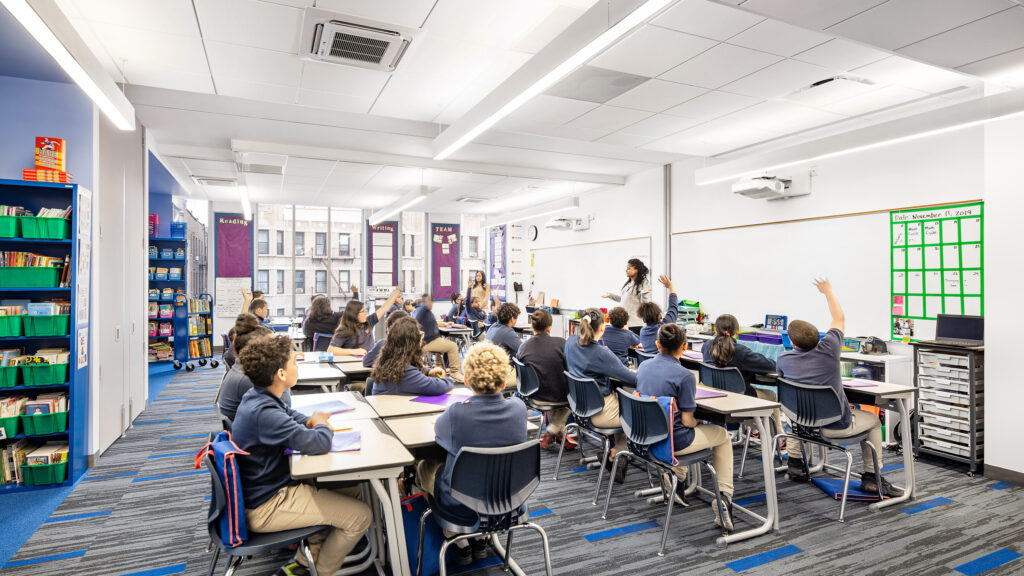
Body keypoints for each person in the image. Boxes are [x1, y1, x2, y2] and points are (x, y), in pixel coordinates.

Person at [233, 334, 372, 576]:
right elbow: (318, 443)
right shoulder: (264, 413)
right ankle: (320, 571)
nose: (297, 365)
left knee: (355, 490)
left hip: (268, 488)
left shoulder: (259, 397)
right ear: (281, 375)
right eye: (293, 362)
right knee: (361, 517)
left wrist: (309, 420)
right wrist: (319, 425)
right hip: (267, 505)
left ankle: (303, 560)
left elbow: (290, 415)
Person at [780, 279, 902, 497]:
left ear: (792, 342)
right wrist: (828, 292)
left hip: (803, 428)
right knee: (874, 421)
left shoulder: (783, 359)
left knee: (794, 410)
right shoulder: (829, 350)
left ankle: (796, 463)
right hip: (834, 427)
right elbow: (839, 318)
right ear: (819, 338)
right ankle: (872, 477)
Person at [415, 342, 527, 566]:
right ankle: (483, 538)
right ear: (504, 382)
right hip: (509, 501)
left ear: (466, 381)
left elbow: (439, 436)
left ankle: (457, 540)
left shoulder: (455, 414)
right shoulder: (519, 409)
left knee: (424, 467)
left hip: (459, 507)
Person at [636, 323, 735, 530]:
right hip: (674, 442)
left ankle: (678, 481)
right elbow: (689, 422)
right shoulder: (685, 376)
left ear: (657, 344)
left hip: (648, 438)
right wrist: (702, 420)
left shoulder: (643, 366)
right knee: (723, 435)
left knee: (675, 424)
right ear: (685, 346)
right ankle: (724, 496)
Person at [565, 308, 636, 483]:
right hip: (600, 412)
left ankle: (616, 452)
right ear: (602, 328)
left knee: (622, 401)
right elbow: (632, 379)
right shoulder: (601, 353)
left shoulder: (570, 342)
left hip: (579, 407)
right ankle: (618, 452)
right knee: (637, 410)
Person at [702, 313, 783, 436]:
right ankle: (776, 438)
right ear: (738, 331)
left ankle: (755, 429)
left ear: (715, 329)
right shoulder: (740, 351)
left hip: (713, 398)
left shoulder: (706, 346)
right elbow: (771, 366)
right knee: (771, 395)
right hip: (738, 400)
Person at [516, 309, 576, 451]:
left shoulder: (523, 346)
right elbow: (571, 369)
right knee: (571, 396)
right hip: (558, 396)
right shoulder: (562, 343)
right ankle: (554, 429)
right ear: (550, 327)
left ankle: (559, 433)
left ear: (532, 326)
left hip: (532, 394)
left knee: (551, 384)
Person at [219, 313, 288, 423]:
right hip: (257, 433)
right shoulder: (248, 377)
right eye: (273, 346)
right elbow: (285, 407)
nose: (277, 350)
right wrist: (285, 377)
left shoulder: (242, 367)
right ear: (259, 351)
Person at [369, 316, 454, 396]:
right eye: (419, 334)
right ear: (412, 342)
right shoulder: (404, 372)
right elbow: (436, 387)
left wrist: (427, 371)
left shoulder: (389, 363)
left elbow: (412, 375)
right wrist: (448, 380)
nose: (421, 338)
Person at [327, 287, 401, 357]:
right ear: (354, 315)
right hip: (354, 365)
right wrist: (354, 351)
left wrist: (396, 292)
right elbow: (331, 350)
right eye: (362, 311)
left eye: (365, 310)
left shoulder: (368, 321)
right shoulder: (344, 329)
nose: (366, 313)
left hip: (370, 360)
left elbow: (384, 308)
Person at [412, 294, 463, 381]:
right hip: (428, 342)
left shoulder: (418, 311)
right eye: (430, 301)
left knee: (442, 343)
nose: (432, 303)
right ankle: (455, 373)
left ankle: (438, 367)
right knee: (453, 346)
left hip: (429, 340)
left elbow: (433, 321)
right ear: (425, 302)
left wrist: (445, 324)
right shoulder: (423, 310)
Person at [601, 258, 651, 329]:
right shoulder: (628, 283)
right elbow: (623, 299)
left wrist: (644, 294)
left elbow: (645, 304)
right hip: (624, 323)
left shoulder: (644, 283)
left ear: (636, 270)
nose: (626, 270)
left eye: (629, 268)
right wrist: (610, 295)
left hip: (635, 324)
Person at [485, 302, 522, 388]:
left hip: (490, 371)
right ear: (512, 319)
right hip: (502, 374)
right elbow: (523, 350)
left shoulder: (493, 327)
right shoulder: (508, 332)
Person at [637, 275, 678, 352]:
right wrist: (670, 286)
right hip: (665, 362)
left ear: (644, 320)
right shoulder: (665, 328)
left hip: (649, 363)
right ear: (659, 316)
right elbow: (673, 306)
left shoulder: (642, 331)